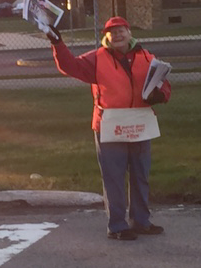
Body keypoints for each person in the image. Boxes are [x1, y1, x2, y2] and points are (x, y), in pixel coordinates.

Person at [47, 16, 171, 241]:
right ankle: (117, 226)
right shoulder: (97, 58)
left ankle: (141, 221)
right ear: (106, 36)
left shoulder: (147, 57)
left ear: (129, 32)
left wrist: (160, 95)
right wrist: (58, 43)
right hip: (110, 126)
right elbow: (69, 66)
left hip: (140, 124)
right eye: (111, 32)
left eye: (121, 30)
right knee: (113, 177)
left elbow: (163, 82)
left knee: (140, 175)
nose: (117, 35)